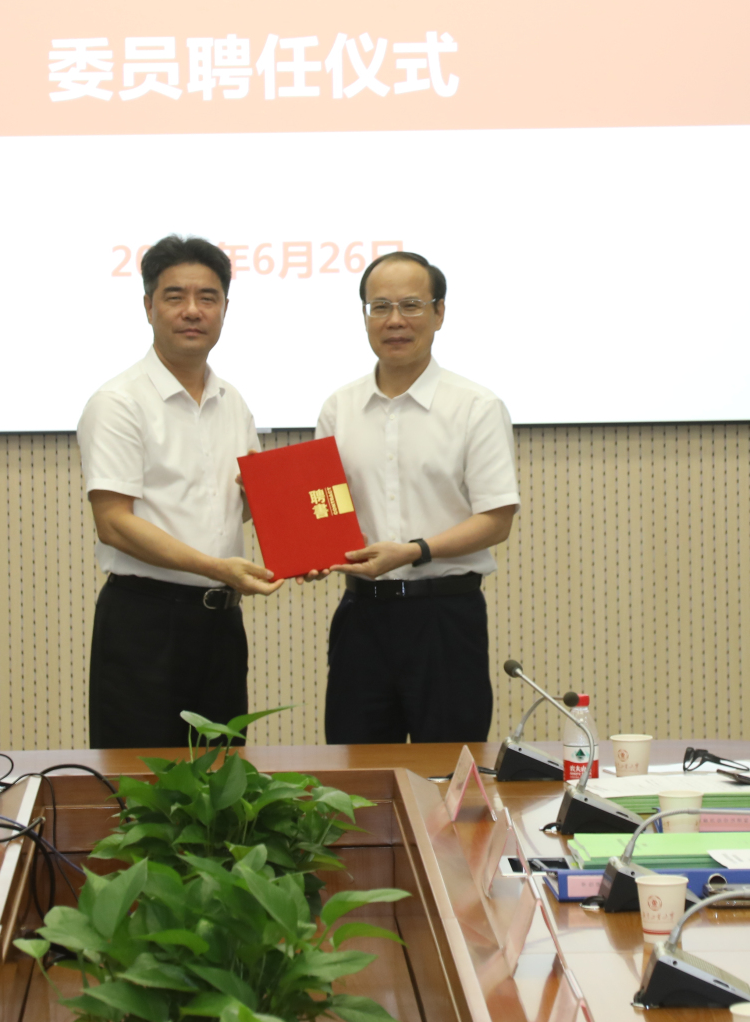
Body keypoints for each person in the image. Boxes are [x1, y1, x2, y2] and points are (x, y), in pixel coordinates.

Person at [77, 235, 275, 749]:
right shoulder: (118, 402)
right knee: (140, 779)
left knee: (223, 775)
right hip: (145, 623)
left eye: (208, 297)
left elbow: (236, 507)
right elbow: (114, 523)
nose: (192, 310)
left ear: (225, 308)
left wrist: (301, 538)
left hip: (221, 626)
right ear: (148, 306)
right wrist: (217, 568)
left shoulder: (233, 402)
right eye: (175, 296)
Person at [313, 251, 518, 744]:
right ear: (365, 316)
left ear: (439, 312)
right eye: (380, 307)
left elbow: (496, 519)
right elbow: (323, 511)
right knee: (355, 770)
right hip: (360, 619)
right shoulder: (339, 408)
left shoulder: (476, 406)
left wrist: (413, 551)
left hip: (444, 618)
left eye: (411, 305)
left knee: (448, 771)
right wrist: (298, 533)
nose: (395, 321)